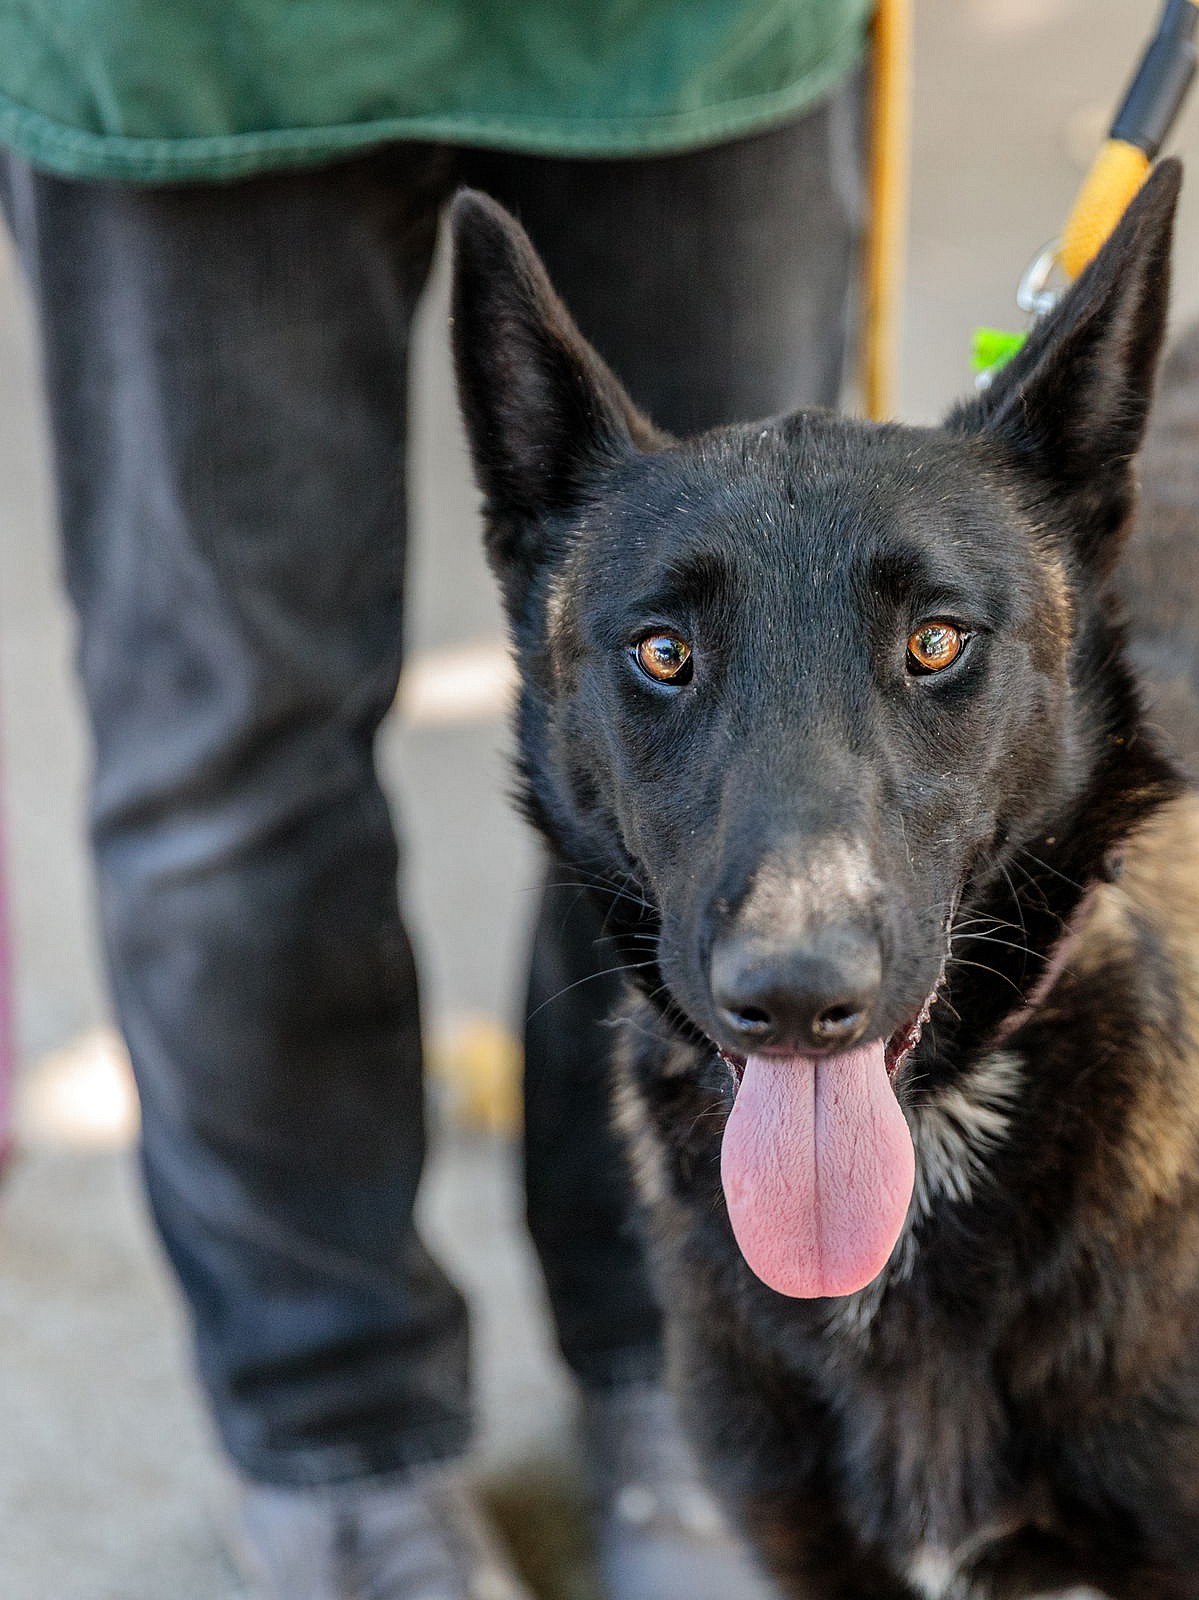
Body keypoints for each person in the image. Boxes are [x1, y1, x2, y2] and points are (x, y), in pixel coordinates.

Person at [0, 4, 871, 1596]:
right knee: (231, 768)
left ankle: (691, 1368)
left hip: (681, 38)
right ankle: (335, 1444)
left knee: (733, 742)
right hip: (198, 48)